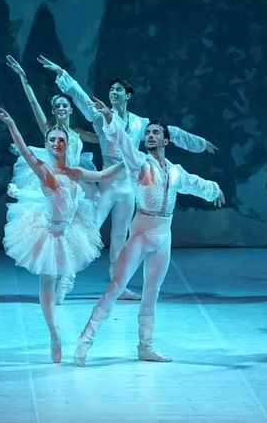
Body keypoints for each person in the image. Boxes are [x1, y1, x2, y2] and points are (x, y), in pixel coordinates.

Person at [40, 56, 216, 301]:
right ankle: (66, 281)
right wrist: (63, 75)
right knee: (88, 232)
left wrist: (201, 143)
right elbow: (81, 98)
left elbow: (170, 132)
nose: (113, 93)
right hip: (106, 186)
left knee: (120, 237)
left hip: (129, 189)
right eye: (111, 90)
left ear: (128, 95)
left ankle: (118, 285)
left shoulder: (140, 124)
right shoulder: (102, 117)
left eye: (118, 90)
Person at [74, 97, 224, 367]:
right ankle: (85, 339)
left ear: (166, 140)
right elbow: (123, 142)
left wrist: (214, 189)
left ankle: (146, 346)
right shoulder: (140, 163)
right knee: (116, 286)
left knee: (152, 290)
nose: (150, 135)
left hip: (164, 235)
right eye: (148, 133)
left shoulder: (175, 172)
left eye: (156, 132)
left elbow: (195, 184)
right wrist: (109, 117)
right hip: (142, 232)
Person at [0, 107, 121, 362]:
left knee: (57, 282)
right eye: (51, 139)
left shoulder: (75, 172)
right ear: (46, 144)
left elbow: (103, 175)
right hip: (46, 235)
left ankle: (56, 330)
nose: (56, 143)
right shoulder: (44, 170)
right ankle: (54, 333)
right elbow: (25, 151)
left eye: (60, 139)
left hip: (69, 233)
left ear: (67, 143)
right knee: (47, 285)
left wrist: (130, 158)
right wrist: (12, 125)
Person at [4, 55, 99, 303]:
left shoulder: (78, 133)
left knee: (78, 233)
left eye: (65, 105)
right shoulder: (49, 130)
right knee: (56, 232)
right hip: (55, 183)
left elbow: (103, 137)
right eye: (57, 106)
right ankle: (55, 277)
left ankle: (68, 277)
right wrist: (24, 79)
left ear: (71, 109)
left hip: (76, 184)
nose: (61, 109)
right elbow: (33, 103)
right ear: (54, 110)